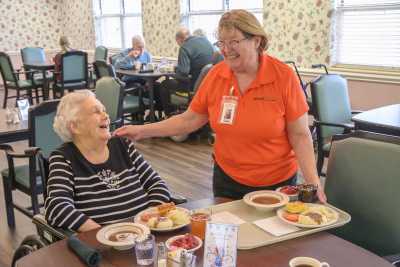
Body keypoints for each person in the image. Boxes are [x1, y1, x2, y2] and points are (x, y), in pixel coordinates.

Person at [113, 9, 327, 203]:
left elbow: (300, 136)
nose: (226, 49)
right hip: (228, 181)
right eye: (221, 43)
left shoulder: (283, 77)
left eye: (233, 41)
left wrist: (314, 183)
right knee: (229, 244)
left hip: (277, 185)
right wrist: (142, 130)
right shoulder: (216, 75)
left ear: (257, 40)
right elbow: (189, 120)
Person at [45, 90, 171, 232]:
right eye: (96, 112)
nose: (106, 116)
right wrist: (102, 234)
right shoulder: (64, 158)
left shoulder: (123, 145)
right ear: (75, 126)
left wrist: (150, 216)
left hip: (146, 233)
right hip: (105, 245)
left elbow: (157, 184)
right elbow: (57, 207)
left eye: (104, 111)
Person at [158, 27, 214, 116]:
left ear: (180, 40)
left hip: (194, 86)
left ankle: (169, 115)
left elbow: (183, 73)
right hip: (209, 86)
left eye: (178, 43)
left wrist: (170, 72)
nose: (179, 45)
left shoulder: (184, 47)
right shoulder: (205, 41)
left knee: (164, 84)